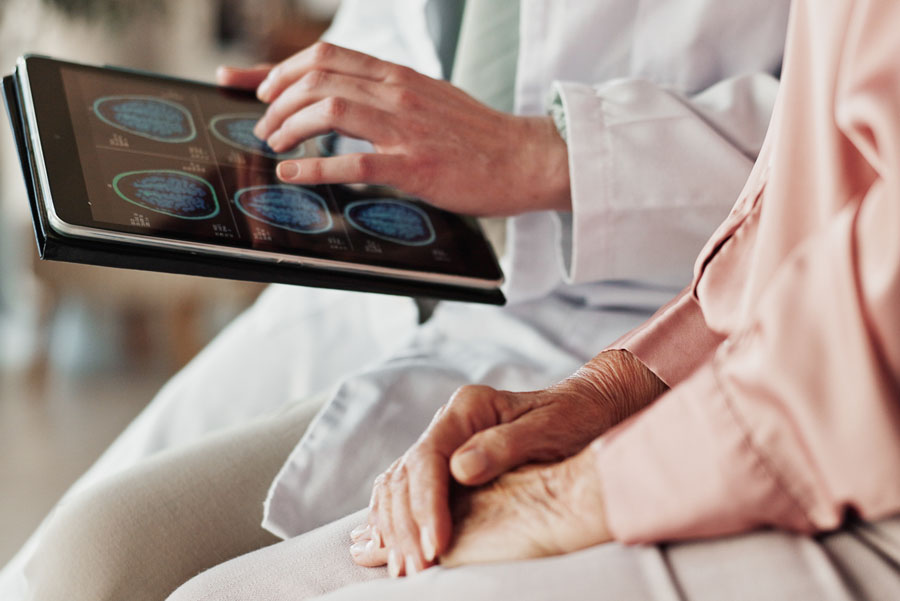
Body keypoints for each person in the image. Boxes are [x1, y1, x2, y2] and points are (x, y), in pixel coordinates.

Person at [3, 0, 790, 599]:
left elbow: (845, 143)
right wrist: (330, 101)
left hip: (659, 305)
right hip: (386, 267)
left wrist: (541, 155)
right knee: (73, 567)